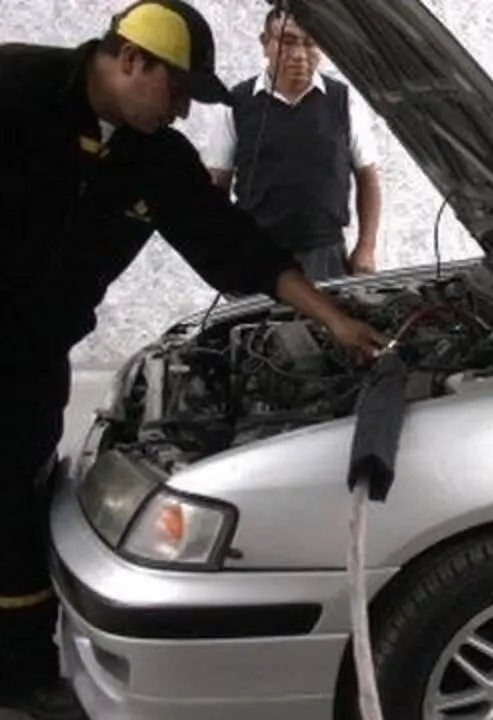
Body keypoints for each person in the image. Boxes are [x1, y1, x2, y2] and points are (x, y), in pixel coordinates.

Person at [0, 1, 388, 716]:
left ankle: (20, 677)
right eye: (177, 90)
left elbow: (232, 242)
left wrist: (333, 317)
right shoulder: (14, 87)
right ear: (131, 61)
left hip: (33, 358)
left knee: (19, 504)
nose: (181, 111)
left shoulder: (153, 158)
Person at [204, 8, 383, 281]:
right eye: (287, 42)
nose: (299, 54)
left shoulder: (344, 100)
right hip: (257, 253)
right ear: (265, 44)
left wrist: (366, 247)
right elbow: (218, 185)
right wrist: (222, 253)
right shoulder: (235, 103)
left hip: (326, 253)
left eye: (310, 43)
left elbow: (368, 176)